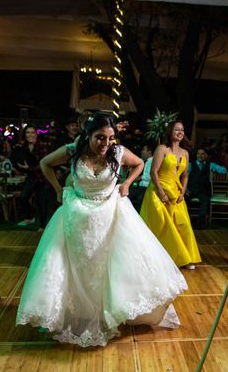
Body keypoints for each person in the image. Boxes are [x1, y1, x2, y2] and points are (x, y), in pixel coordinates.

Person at [16, 113, 186, 347]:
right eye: (100, 138)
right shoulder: (73, 150)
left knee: (108, 263)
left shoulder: (117, 152)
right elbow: (45, 163)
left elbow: (140, 163)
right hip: (77, 214)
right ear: (88, 135)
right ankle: (80, 312)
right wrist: (58, 188)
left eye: (110, 138)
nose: (106, 144)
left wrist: (126, 183)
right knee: (77, 263)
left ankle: (111, 310)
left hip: (110, 212)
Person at [140, 121, 201, 269]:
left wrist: (183, 192)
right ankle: (167, 259)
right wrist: (161, 193)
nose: (180, 132)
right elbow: (153, 172)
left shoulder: (185, 152)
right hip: (158, 191)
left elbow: (185, 175)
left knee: (183, 225)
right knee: (165, 225)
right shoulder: (162, 149)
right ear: (170, 132)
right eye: (177, 130)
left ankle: (186, 257)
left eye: (182, 130)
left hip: (176, 192)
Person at [185, 147, 227, 229]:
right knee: (184, 200)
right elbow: (184, 176)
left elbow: (223, 170)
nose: (200, 156)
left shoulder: (210, 165)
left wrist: (215, 172)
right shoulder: (190, 164)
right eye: (198, 154)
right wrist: (185, 188)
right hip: (190, 190)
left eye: (203, 154)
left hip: (203, 191)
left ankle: (200, 223)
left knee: (205, 201)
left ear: (206, 156)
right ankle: (187, 221)